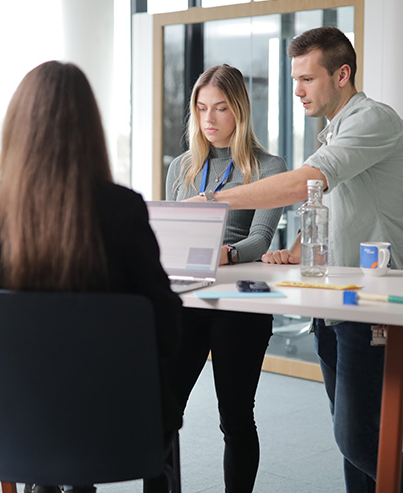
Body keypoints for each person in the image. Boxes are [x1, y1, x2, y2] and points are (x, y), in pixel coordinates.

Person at [191, 26, 403, 492]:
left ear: (342, 74)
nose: (296, 90)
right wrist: (294, 250)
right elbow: (329, 203)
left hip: (378, 299)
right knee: (353, 443)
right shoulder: (332, 132)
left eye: (307, 79)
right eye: (294, 78)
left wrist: (216, 202)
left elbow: (308, 181)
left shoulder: (372, 120)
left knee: (358, 436)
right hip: (336, 299)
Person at [0, 60, 183, 493]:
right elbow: (164, 327)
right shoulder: (121, 209)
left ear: (15, 128)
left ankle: (44, 481)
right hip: (110, 425)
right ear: (90, 130)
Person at [165, 64, 286, 492]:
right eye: (201, 109)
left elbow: (260, 240)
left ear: (239, 110)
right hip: (185, 300)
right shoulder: (181, 167)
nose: (209, 119)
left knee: (235, 418)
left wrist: (225, 253)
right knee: (161, 413)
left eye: (220, 108)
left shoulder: (270, 167)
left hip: (239, 304)